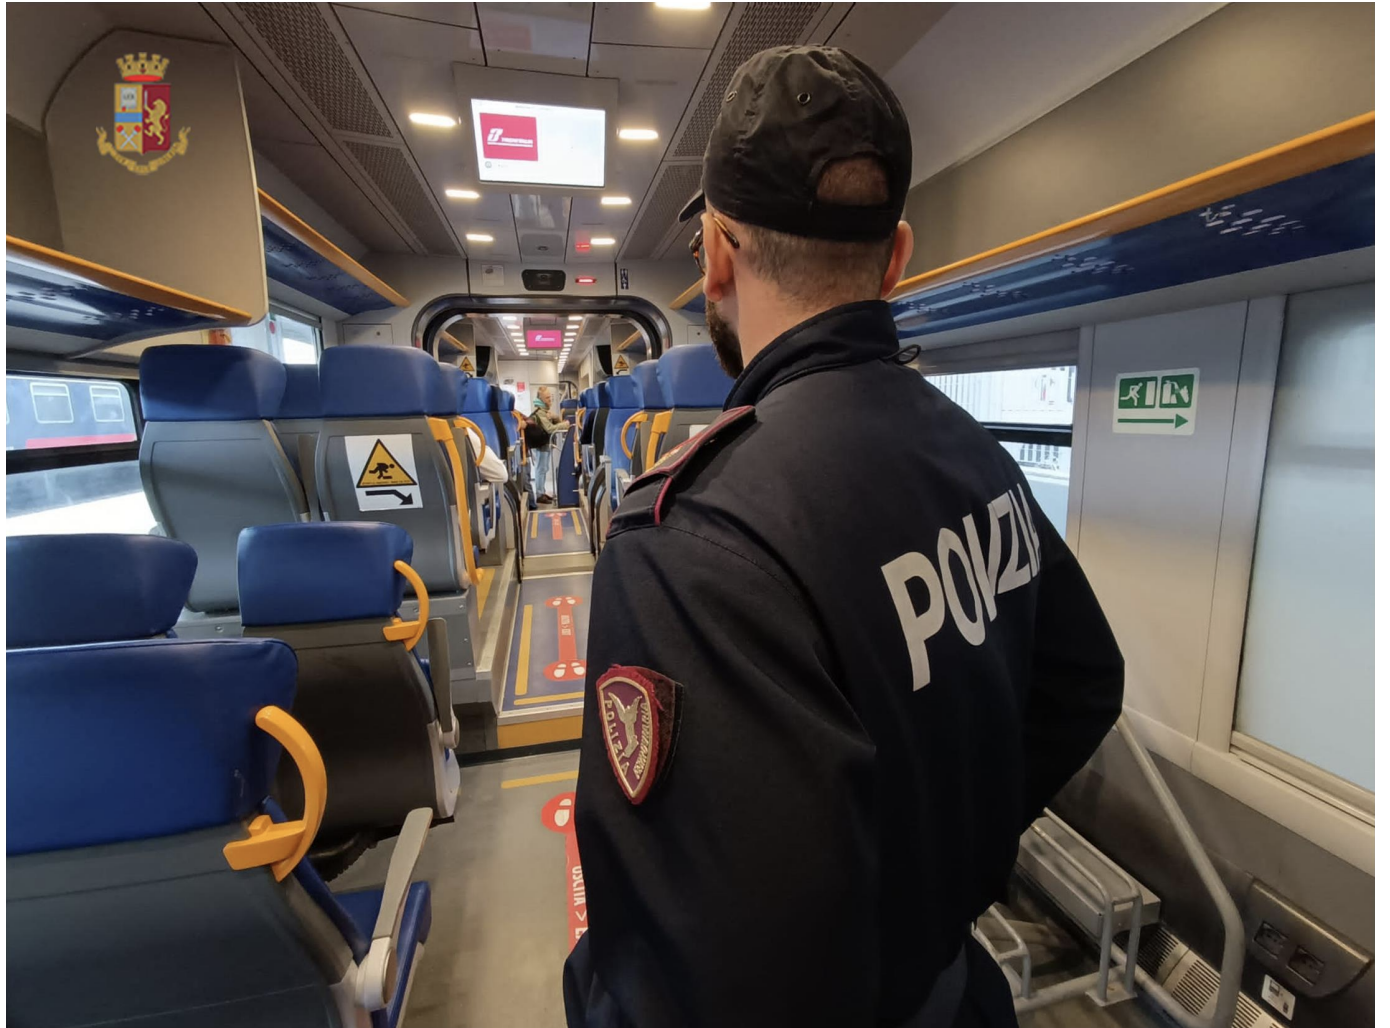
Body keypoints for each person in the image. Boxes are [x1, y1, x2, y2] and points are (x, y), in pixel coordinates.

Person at [563, 46, 1124, 1028]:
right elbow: (1084, 680)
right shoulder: (969, 451)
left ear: (716, 258)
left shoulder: (690, 533)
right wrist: (941, 869)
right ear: (897, 256)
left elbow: (687, 964)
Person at [529, 386, 567, 504]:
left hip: (544, 444)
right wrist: (564, 425)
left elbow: (556, 422)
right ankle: (540, 494)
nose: (550, 399)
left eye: (550, 397)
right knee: (541, 469)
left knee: (544, 469)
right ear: (541, 399)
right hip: (541, 445)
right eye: (547, 397)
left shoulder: (545, 412)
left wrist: (556, 417)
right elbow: (549, 429)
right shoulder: (540, 413)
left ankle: (542, 491)